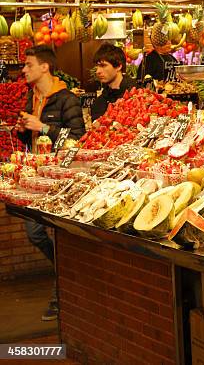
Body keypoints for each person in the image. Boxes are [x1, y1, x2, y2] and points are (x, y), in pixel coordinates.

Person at [17, 45, 85, 321]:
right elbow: (30, 137)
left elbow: (78, 138)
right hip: (36, 175)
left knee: (58, 235)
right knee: (34, 232)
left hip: (60, 177)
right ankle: (68, 276)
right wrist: (24, 132)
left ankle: (62, 293)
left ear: (44, 67)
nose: (24, 69)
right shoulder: (31, 98)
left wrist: (43, 128)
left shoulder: (66, 99)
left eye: (29, 64)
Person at [90, 43, 137, 121]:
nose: (98, 71)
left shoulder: (137, 96)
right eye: (97, 66)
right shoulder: (98, 103)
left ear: (118, 66)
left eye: (103, 65)